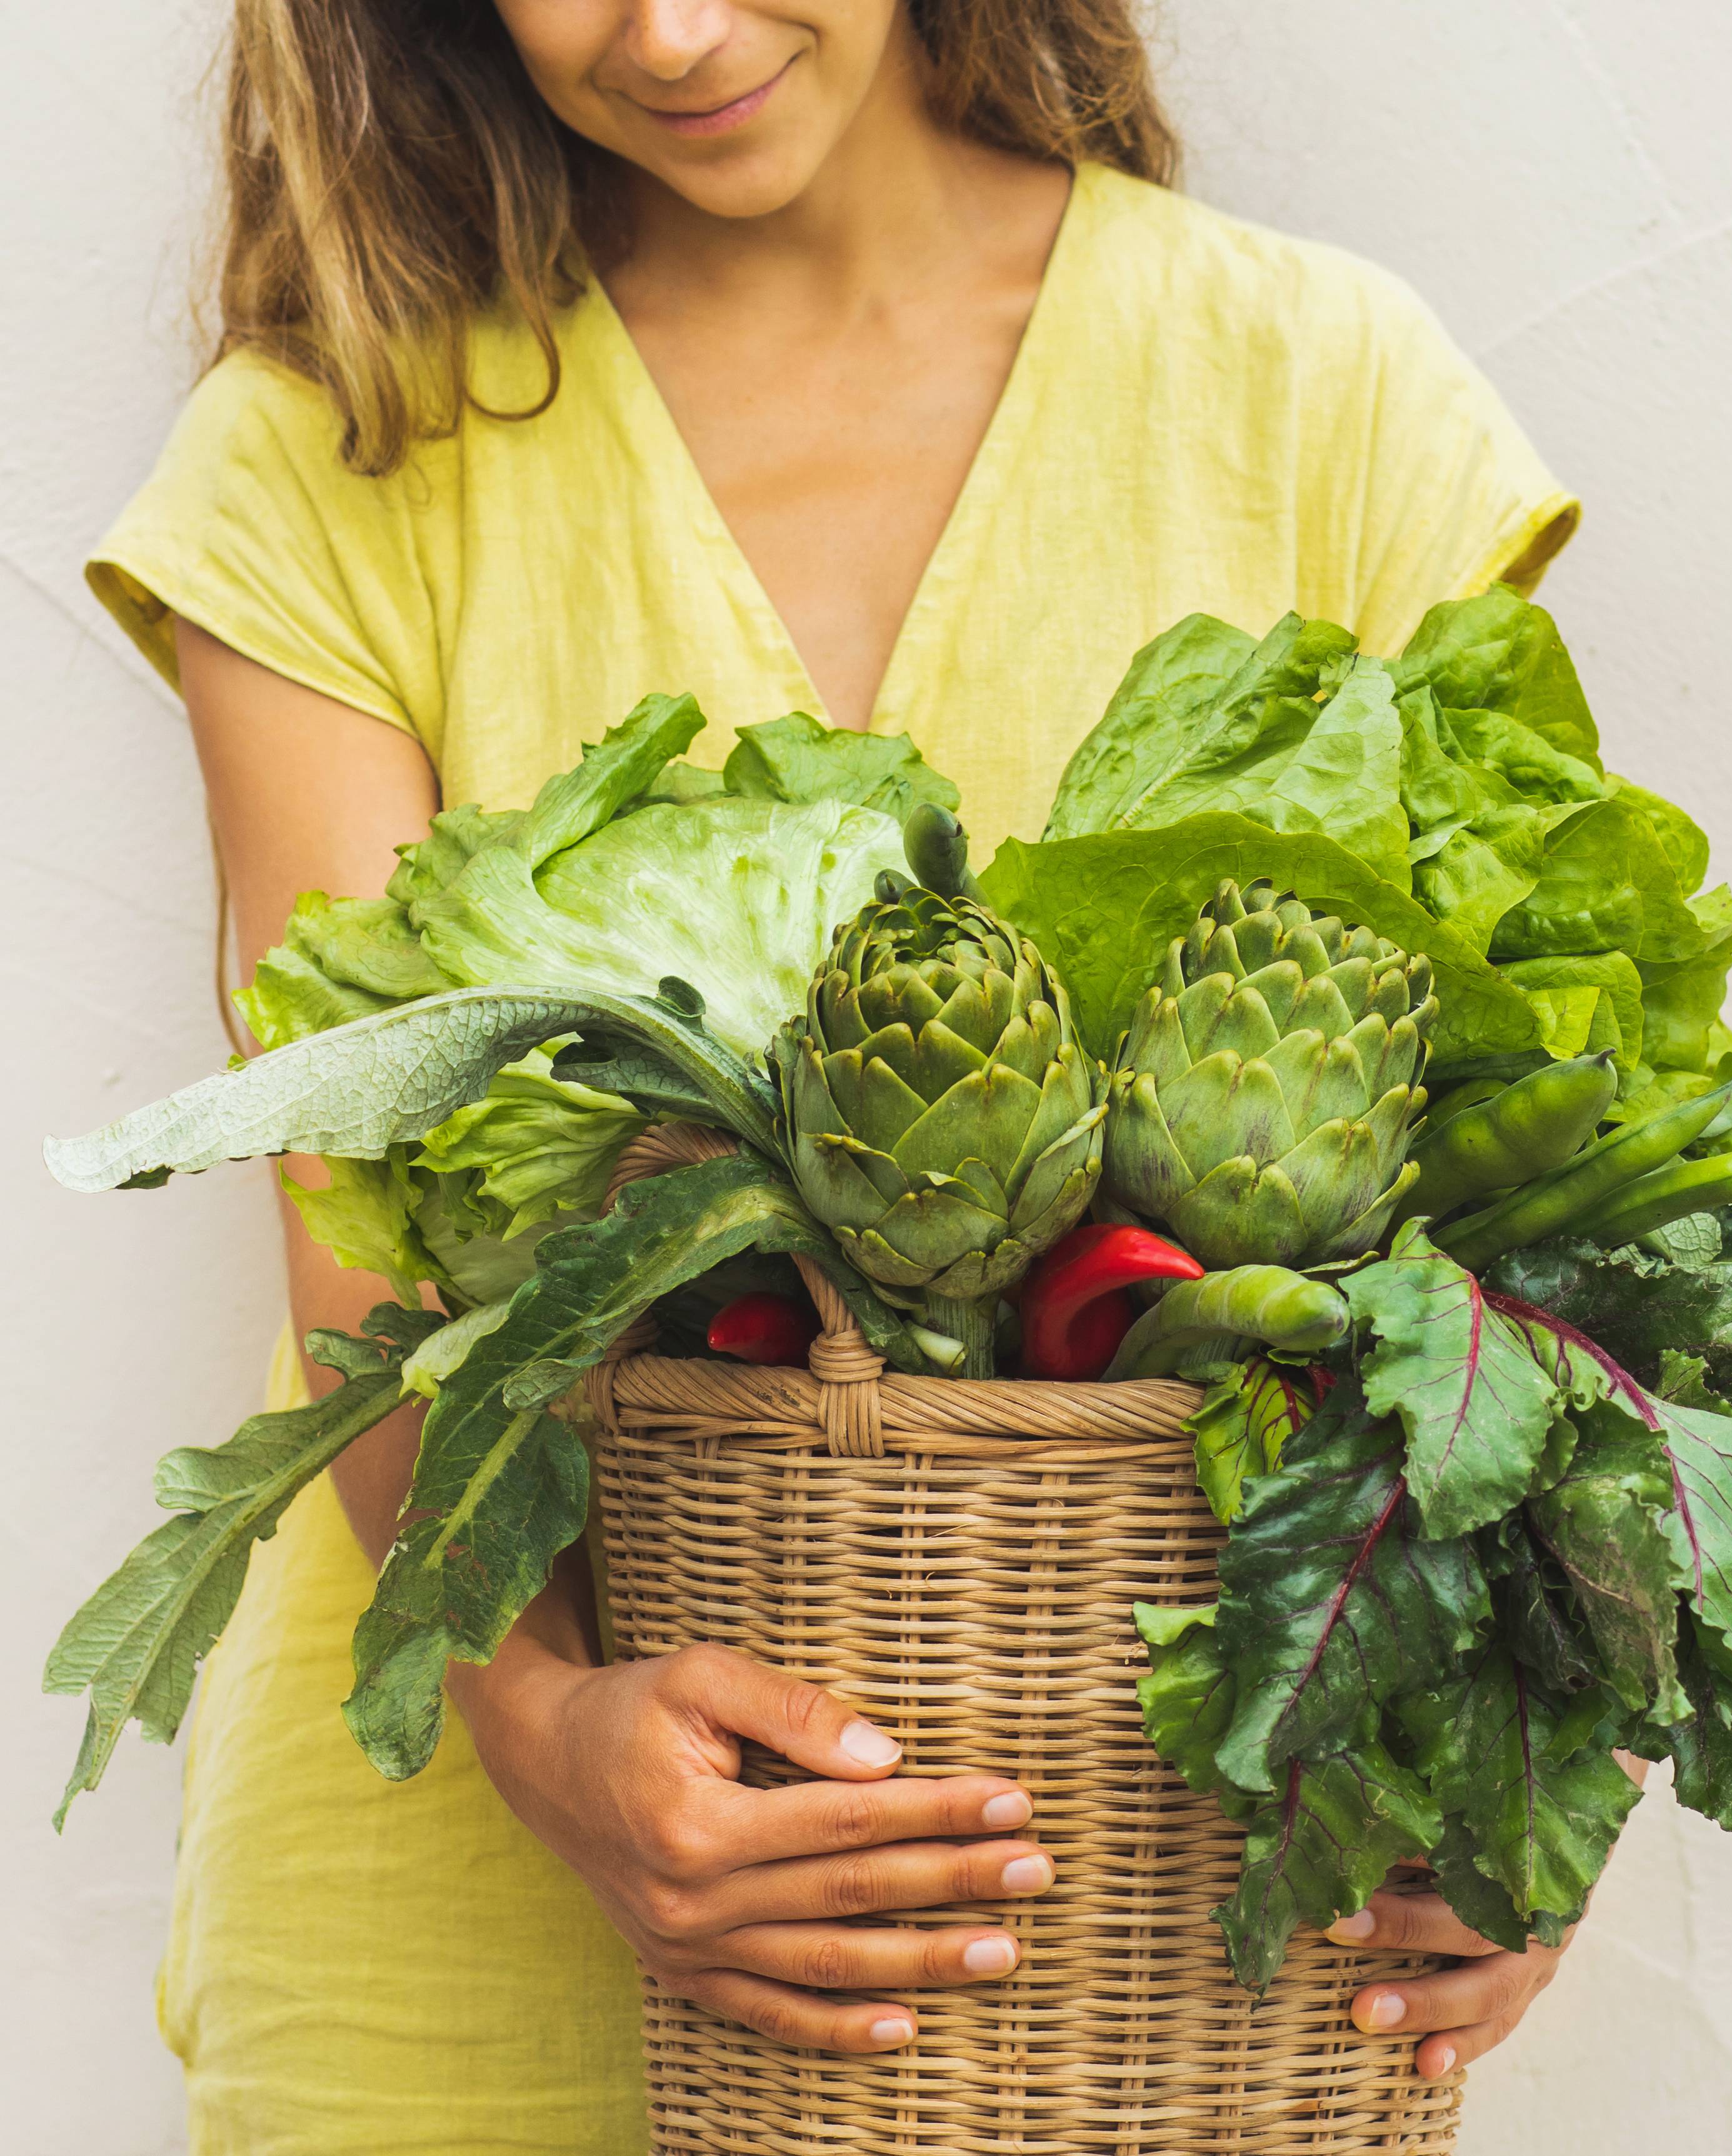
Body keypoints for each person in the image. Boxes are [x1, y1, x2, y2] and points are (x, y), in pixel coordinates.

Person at [88, 4, 1605, 2149]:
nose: (673, 31)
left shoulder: (1327, 397)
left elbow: (1564, 1194)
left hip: (1144, 1931)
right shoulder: (333, 446)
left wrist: (1543, 1765)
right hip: (448, 1923)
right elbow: (353, 1210)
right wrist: (534, 1718)